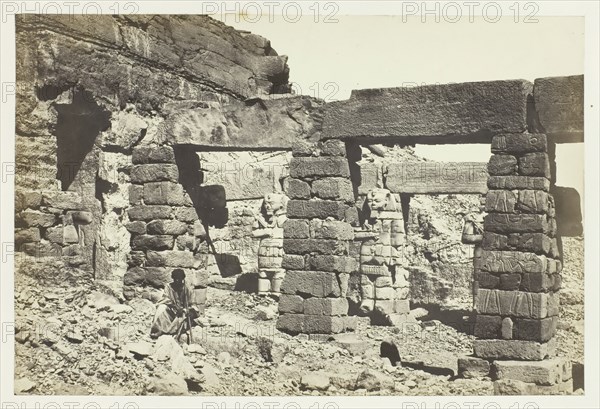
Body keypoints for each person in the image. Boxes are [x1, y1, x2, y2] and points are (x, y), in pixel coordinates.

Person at [150, 269, 198, 339]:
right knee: (161, 308)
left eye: (179, 279)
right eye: (175, 279)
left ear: (183, 278)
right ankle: (156, 330)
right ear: (173, 278)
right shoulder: (169, 287)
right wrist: (175, 307)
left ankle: (169, 332)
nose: (177, 281)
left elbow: (193, 305)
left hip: (183, 313)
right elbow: (165, 299)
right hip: (172, 311)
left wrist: (186, 310)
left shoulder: (188, 289)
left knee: (184, 318)